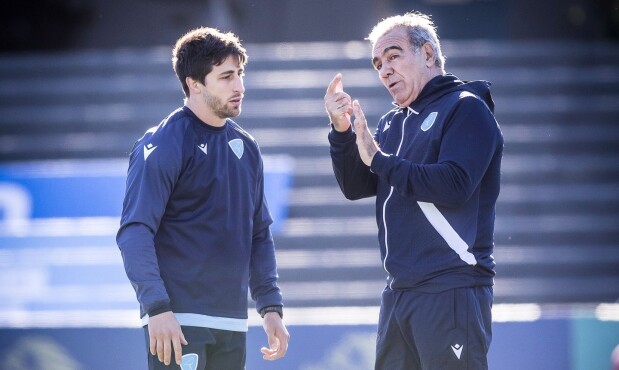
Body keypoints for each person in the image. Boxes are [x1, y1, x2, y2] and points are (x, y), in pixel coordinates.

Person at [324, 11, 503, 370]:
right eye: (378, 64)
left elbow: (455, 185)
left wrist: (379, 159)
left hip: (451, 288)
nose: (385, 70)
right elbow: (357, 186)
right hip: (398, 294)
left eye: (393, 55)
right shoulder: (393, 121)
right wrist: (341, 131)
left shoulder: (466, 107)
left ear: (428, 54)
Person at [116, 27, 289, 370]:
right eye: (226, 77)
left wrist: (270, 307)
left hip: (232, 322)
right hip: (177, 321)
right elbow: (134, 231)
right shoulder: (164, 143)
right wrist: (157, 308)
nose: (239, 86)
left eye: (240, 74)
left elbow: (258, 234)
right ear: (194, 83)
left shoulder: (247, 148)